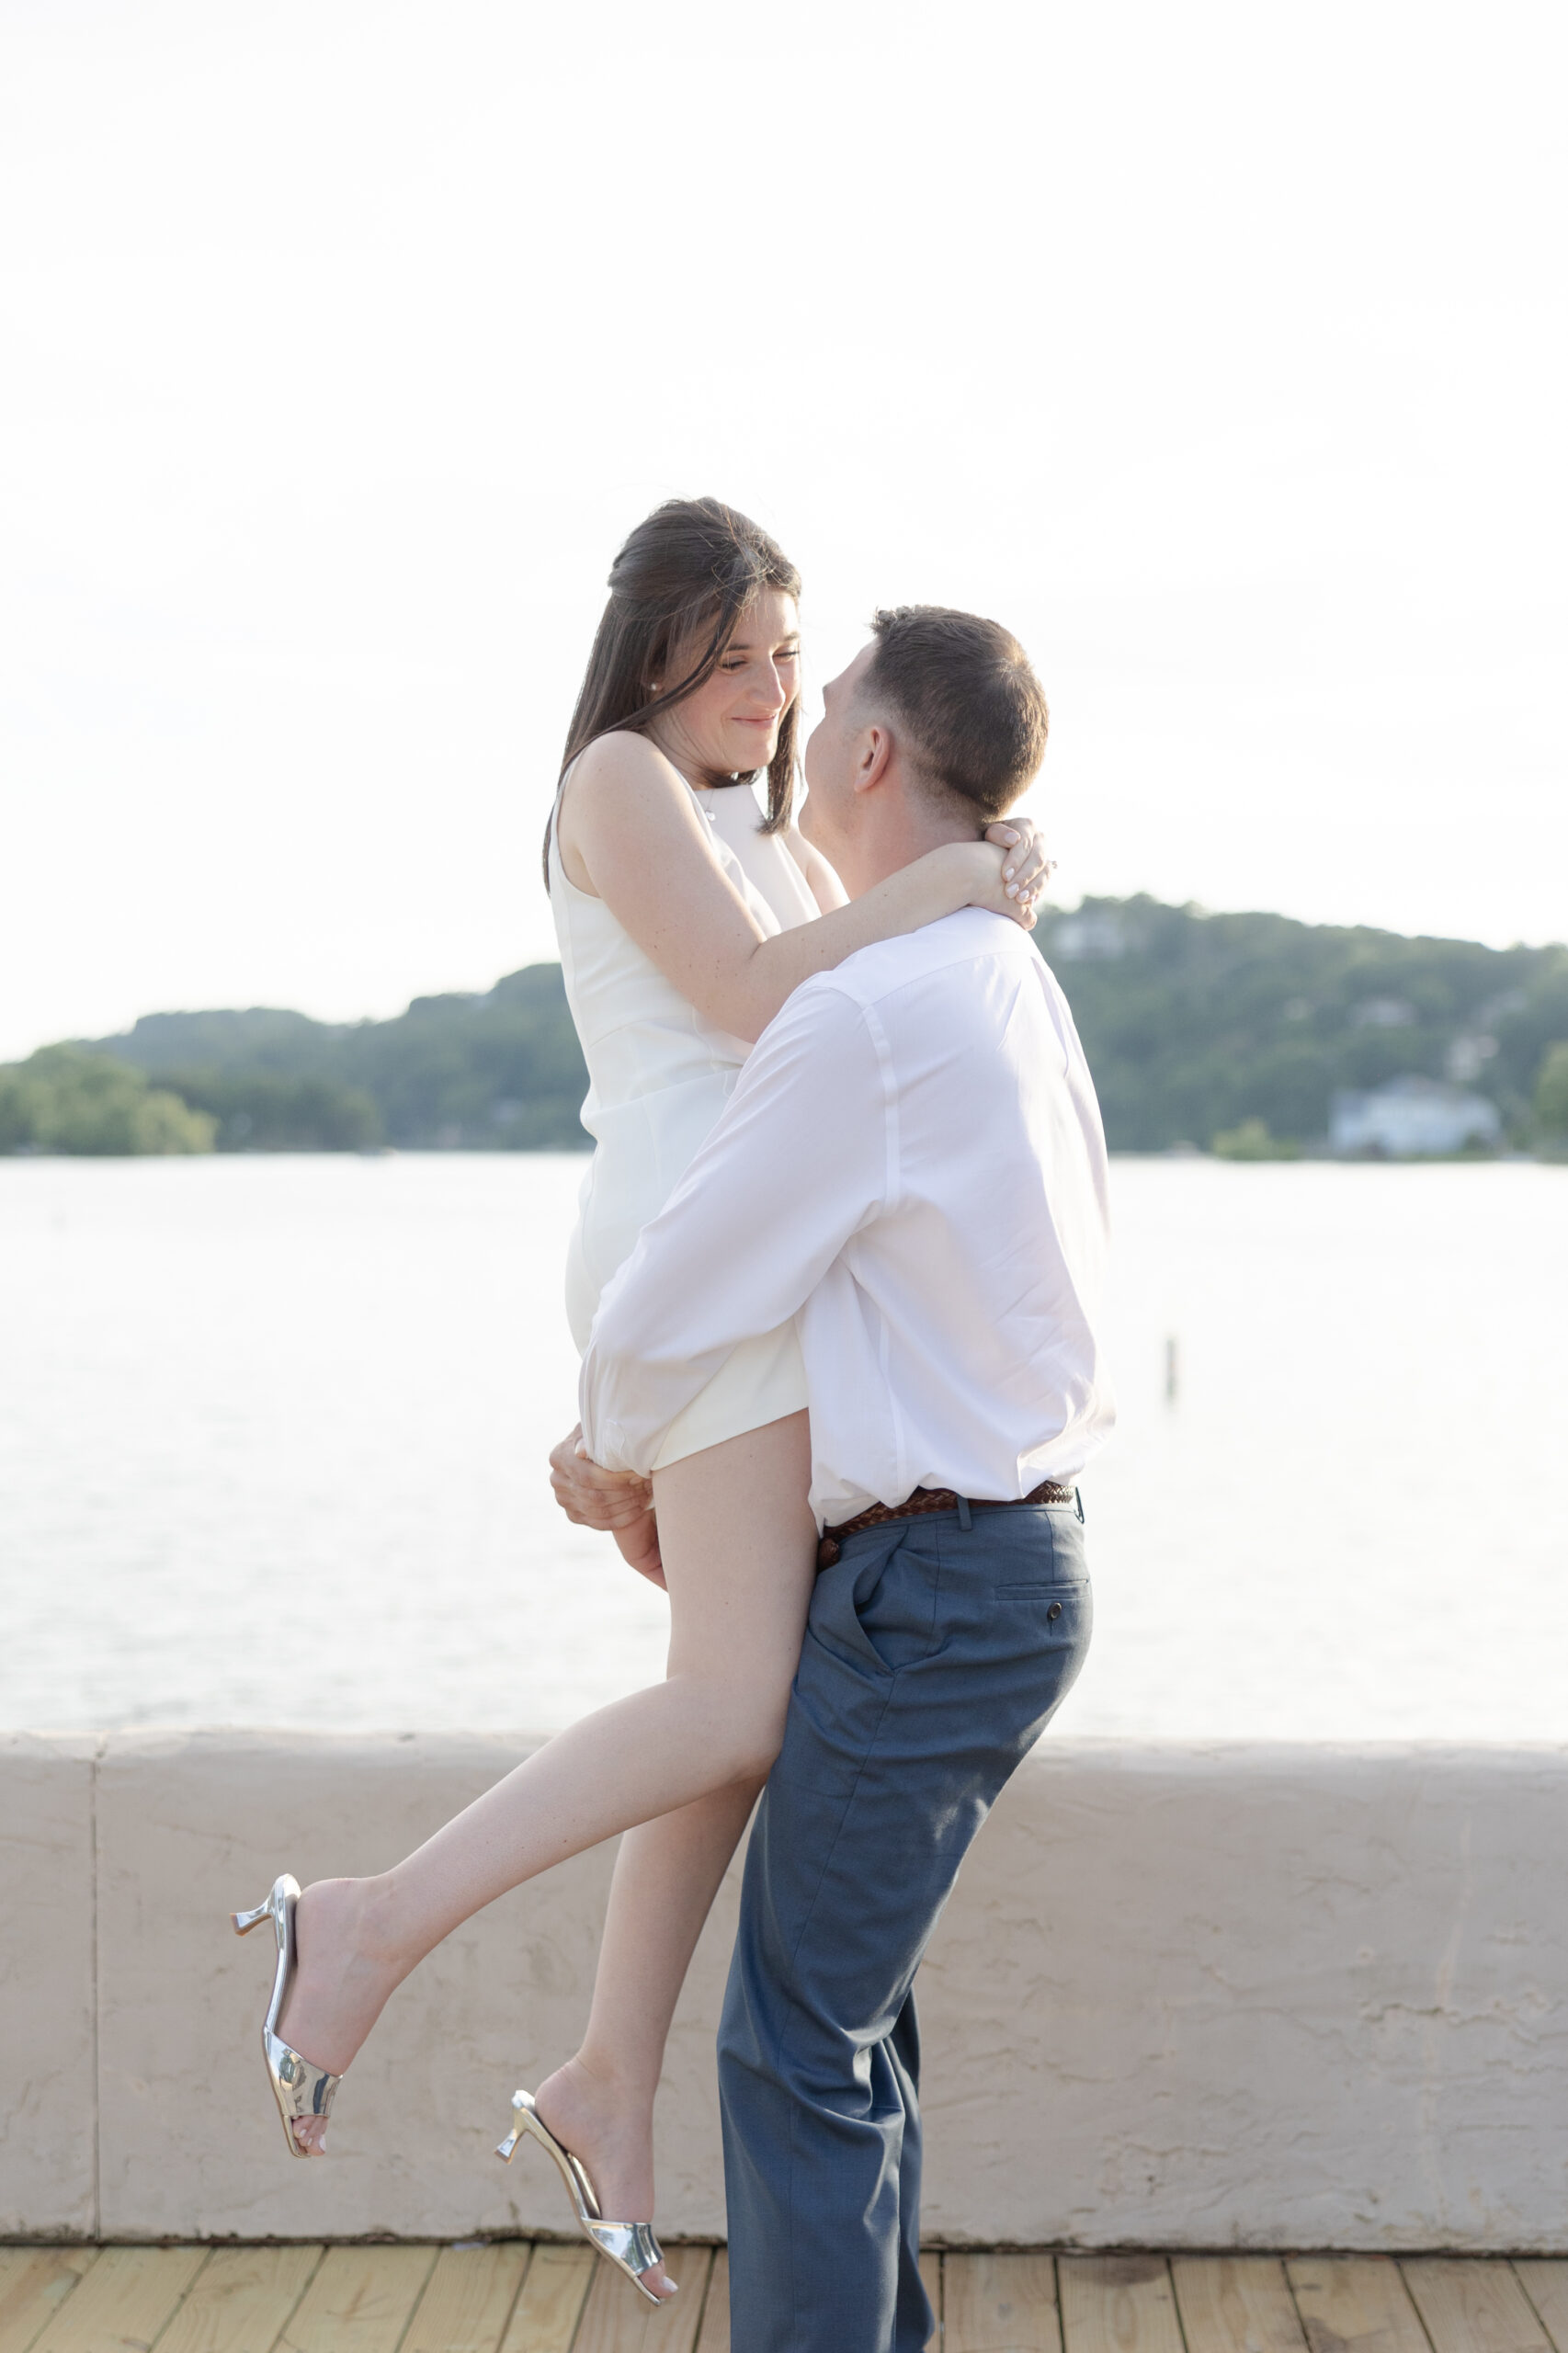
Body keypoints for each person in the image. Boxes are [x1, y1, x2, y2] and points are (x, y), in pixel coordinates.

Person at [232, 500, 1051, 2302]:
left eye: (788, 656)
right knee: (733, 1698)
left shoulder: (738, 812)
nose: (772, 691)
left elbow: (846, 982)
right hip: (699, 1265)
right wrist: (951, 875)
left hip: (736, 1266)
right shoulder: (614, 776)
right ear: (665, 642)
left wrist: (945, 879)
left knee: (727, 1705)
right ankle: (364, 1925)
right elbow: (759, 995)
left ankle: (604, 2066)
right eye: (747, 653)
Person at [575, 600, 1114, 2352]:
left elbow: (686, 1280)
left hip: (933, 1586)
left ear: (871, 754)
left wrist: (600, 1442)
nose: (793, 711)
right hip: (1018, 1562)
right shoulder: (1006, 973)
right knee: (851, 2027)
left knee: (795, 2046)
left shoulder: (866, 1012)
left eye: (824, 691)